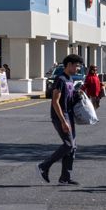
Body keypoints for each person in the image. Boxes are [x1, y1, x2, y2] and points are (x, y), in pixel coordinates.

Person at [39, 53, 85, 185]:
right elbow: (55, 102)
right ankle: (44, 166)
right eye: (76, 66)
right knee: (68, 144)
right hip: (60, 116)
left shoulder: (70, 79)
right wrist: (63, 121)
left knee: (73, 147)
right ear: (69, 65)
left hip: (69, 115)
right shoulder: (60, 80)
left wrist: (78, 95)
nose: (77, 69)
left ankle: (65, 177)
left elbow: (69, 100)